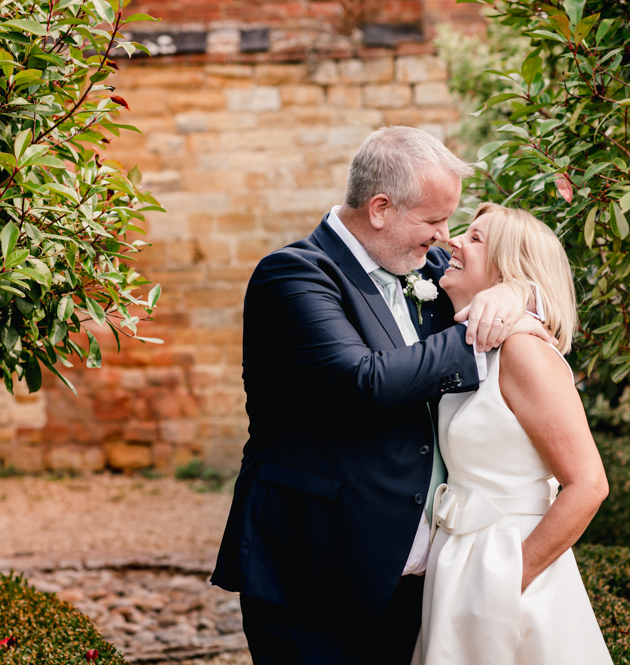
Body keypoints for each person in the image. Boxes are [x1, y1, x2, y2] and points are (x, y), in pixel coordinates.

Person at [210, 127, 552, 665]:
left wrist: (514, 292)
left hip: (416, 581)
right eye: (434, 220)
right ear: (380, 209)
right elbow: (362, 383)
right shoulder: (293, 275)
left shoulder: (427, 268)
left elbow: (504, 278)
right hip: (314, 570)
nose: (445, 236)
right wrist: (476, 331)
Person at [415, 203, 612, 664]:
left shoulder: (524, 351)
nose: (454, 241)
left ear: (509, 270)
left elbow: (589, 484)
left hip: (503, 560)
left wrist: (508, 580)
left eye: (476, 238)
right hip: (458, 560)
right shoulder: (476, 346)